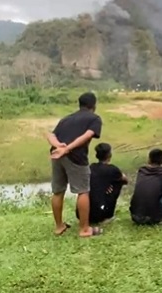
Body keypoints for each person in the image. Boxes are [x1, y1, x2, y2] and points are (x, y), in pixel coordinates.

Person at [47, 92, 104, 238]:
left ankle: (59, 226)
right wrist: (67, 149)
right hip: (75, 156)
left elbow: (51, 134)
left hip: (56, 154)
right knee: (83, 191)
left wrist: (58, 146)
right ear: (94, 105)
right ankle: (84, 229)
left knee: (58, 191)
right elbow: (87, 135)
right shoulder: (94, 118)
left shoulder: (66, 119)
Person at [76, 143, 128, 225]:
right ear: (109, 155)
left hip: (81, 214)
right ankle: (107, 215)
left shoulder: (91, 167)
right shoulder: (113, 169)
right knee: (119, 182)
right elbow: (126, 180)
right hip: (99, 214)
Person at [129, 149, 162, 225]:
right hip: (154, 218)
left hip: (135, 216)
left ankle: (142, 210)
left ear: (149, 159)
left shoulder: (142, 170)